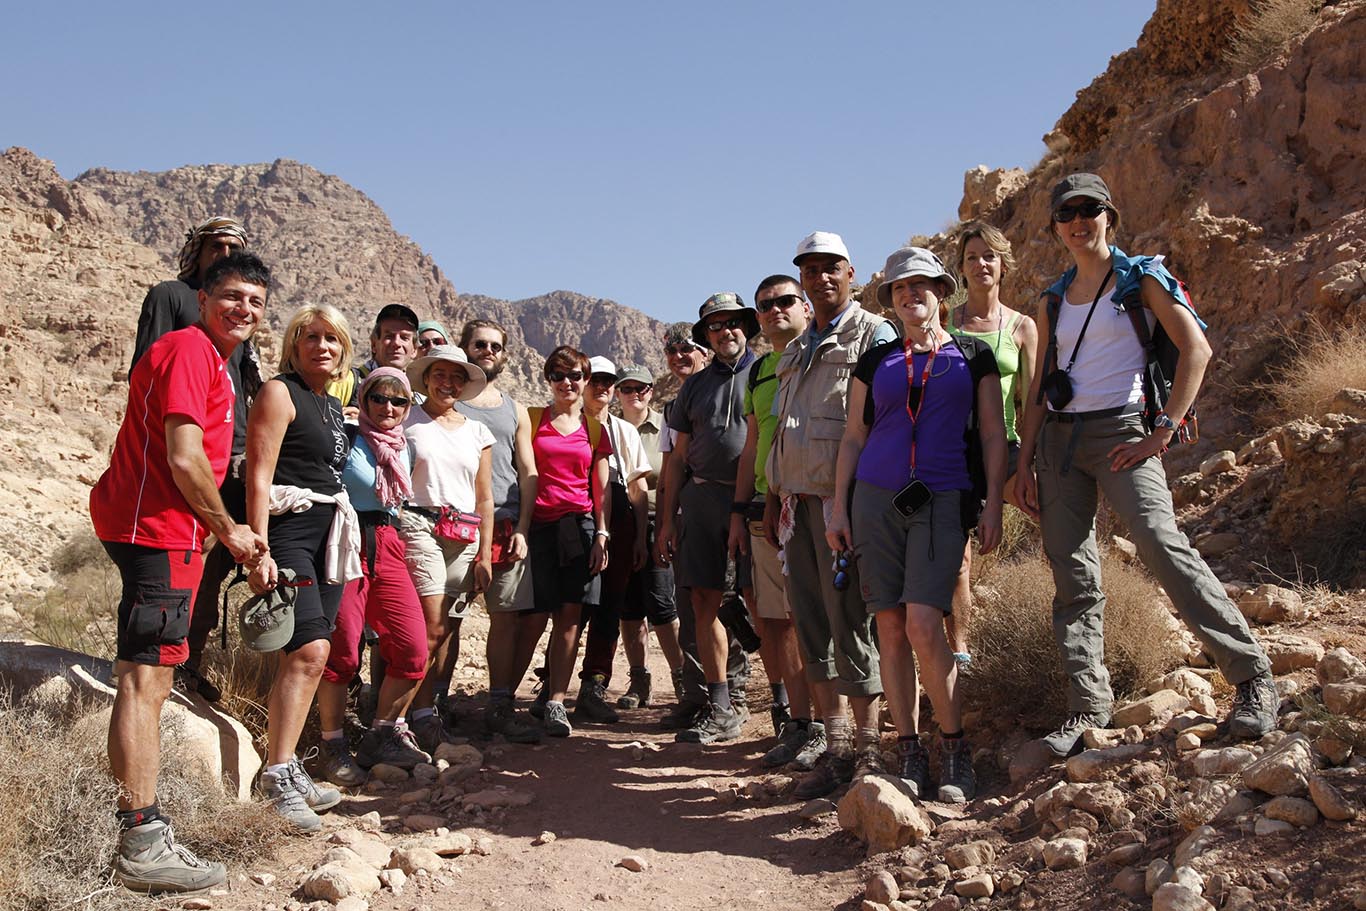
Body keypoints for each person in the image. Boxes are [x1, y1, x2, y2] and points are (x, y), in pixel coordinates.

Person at [1015, 172, 1277, 756]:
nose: (1079, 220)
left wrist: (1161, 433)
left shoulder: (1140, 279)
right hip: (1059, 443)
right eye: (1067, 213)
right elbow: (1039, 389)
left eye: (1090, 209)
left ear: (1110, 216)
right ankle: (1087, 708)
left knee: (1162, 545)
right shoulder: (1053, 298)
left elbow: (1196, 349)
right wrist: (1023, 462)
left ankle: (1252, 676)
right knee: (1071, 574)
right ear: (1055, 226)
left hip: (1121, 432)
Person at [91, 251, 269, 893]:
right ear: (201, 297)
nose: (243, 309)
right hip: (158, 531)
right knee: (146, 680)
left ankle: (143, 829)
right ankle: (140, 840)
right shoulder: (192, 352)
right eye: (231, 295)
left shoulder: (214, 362)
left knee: (154, 676)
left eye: (255, 301)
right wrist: (232, 532)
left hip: (166, 530)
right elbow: (185, 456)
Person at [828, 246, 1007, 803]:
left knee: (926, 624)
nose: (911, 295)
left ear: (941, 292)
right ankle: (908, 751)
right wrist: (838, 505)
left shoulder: (973, 355)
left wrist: (995, 500)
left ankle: (951, 745)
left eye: (921, 285)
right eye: (900, 289)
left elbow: (992, 433)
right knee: (889, 626)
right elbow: (854, 436)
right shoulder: (876, 359)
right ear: (892, 300)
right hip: (875, 500)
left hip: (944, 497)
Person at [768, 232, 898, 797]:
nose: (820, 277)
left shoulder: (873, 333)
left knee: (852, 624)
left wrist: (859, 503)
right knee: (812, 626)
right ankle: (837, 752)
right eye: (810, 269)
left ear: (852, 272)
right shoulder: (796, 349)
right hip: (797, 505)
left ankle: (869, 756)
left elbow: (887, 421)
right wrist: (775, 499)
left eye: (831, 268)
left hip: (844, 505)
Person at [129, 216, 257, 703]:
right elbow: (146, 369)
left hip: (233, 454)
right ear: (199, 250)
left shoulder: (235, 321)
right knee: (184, 561)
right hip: (187, 450)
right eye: (216, 246)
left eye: (234, 248)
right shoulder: (172, 297)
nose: (224, 255)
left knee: (216, 562)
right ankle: (171, 668)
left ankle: (191, 663)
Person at [246, 302, 356, 831]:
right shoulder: (278, 391)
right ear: (293, 344)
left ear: (343, 351)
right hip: (289, 529)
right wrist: (258, 550)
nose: (321, 346)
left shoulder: (331, 404)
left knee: (317, 651)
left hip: (330, 532)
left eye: (331, 339)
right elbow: (259, 475)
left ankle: (288, 768)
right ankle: (277, 775)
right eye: (310, 336)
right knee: (307, 648)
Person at [314, 368, 433, 786]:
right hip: (344, 540)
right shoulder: (345, 437)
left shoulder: (407, 449)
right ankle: (331, 744)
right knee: (343, 652)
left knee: (413, 648)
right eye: (379, 398)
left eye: (398, 401)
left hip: (387, 541)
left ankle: (381, 734)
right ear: (363, 400)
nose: (388, 407)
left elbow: (399, 503)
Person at [657, 293, 759, 744]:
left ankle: (785, 710)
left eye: (731, 322)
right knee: (704, 601)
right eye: (715, 326)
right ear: (707, 336)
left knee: (764, 607)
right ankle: (720, 707)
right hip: (701, 502)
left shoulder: (769, 370)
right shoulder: (693, 387)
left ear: (745, 326)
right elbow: (677, 459)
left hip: (758, 503)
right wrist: (665, 521)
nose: (725, 331)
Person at [727, 275, 816, 766]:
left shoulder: (821, 354)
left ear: (803, 306)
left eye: (785, 301)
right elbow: (753, 447)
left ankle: (829, 724)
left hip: (812, 503)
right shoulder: (760, 372)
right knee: (777, 621)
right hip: (764, 510)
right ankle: (798, 723)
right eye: (765, 306)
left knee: (813, 617)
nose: (775, 310)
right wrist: (739, 512)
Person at [943, 222, 1038, 663]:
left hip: (1008, 446)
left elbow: (1032, 400)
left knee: (1052, 512)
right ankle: (961, 654)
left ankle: (1068, 616)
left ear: (1003, 265)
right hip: (953, 453)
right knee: (956, 562)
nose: (981, 264)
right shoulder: (946, 323)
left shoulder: (1022, 327)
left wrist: (1033, 461)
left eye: (989, 256)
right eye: (971, 258)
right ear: (960, 270)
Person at [398, 345, 495, 751]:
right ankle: (398, 719)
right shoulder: (407, 419)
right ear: (426, 377)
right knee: (430, 627)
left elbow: (484, 496)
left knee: (445, 632)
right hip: (418, 525)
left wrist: (486, 554)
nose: (448, 383)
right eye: (440, 374)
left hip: (463, 536)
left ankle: (422, 712)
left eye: (456, 377)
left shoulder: (477, 431)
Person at [454, 319, 542, 744]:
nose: (487, 351)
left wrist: (524, 526)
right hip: (458, 523)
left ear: (505, 354)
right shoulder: (448, 399)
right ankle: (431, 705)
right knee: (445, 620)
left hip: (507, 522)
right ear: (464, 348)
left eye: (494, 346)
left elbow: (528, 470)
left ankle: (500, 705)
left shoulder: (515, 409)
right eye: (479, 344)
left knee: (505, 618)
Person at [522, 346, 612, 737]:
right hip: (539, 526)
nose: (567, 383)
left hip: (579, 527)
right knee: (533, 616)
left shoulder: (595, 429)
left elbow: (600, 488)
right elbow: (524, 473)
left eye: (575, 375)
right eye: (559, 375)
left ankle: (557, 700)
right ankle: (505, 697)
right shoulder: (531, 419)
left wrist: (602, 535)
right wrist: (522, 530)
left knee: (570, 616)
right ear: (548, 379)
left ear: (585, 381)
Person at [575, 357, 652, 722]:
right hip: (577, 514)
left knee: (610, 605)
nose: (602, 387)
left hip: (619, 516)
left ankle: (594, 683)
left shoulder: (625, 431)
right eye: (595, 380)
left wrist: (638, 536)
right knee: (573, 604)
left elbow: (637, 485)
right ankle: (554, 684)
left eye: (608, 381)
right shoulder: (567, 423)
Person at [613, 363, 684, 709]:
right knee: (629, 609)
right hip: (618, 525)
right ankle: (638, 680)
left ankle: (682, 679)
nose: (635, 394)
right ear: (618, 393)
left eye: (641, 388)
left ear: (651, 391)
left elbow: (673, 475)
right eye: (627, 388)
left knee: (661, 603)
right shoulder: (608, 430)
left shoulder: (664, 427)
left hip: (657, 521)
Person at [332, 303, 421, 419]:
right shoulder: (345, 381)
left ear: (414, 350)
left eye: (404, 338)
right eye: (389, 336)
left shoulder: (418, 397)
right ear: (374, 344)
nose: (396, 343)